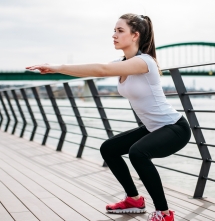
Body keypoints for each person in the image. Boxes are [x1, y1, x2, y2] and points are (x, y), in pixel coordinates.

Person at [26, 13, 191, 221]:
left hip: (174, 128)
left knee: (137, 153)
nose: (114, 35)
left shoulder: (144, 62)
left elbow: (102, 69)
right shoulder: (123, 62)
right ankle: (134, 200)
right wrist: (58, 70)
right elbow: (95, 69)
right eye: (114, 30)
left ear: (135, 35)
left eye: (120, 31)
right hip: (153, 127)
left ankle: (164, 214)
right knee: (109, 149)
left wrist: (56, 67)